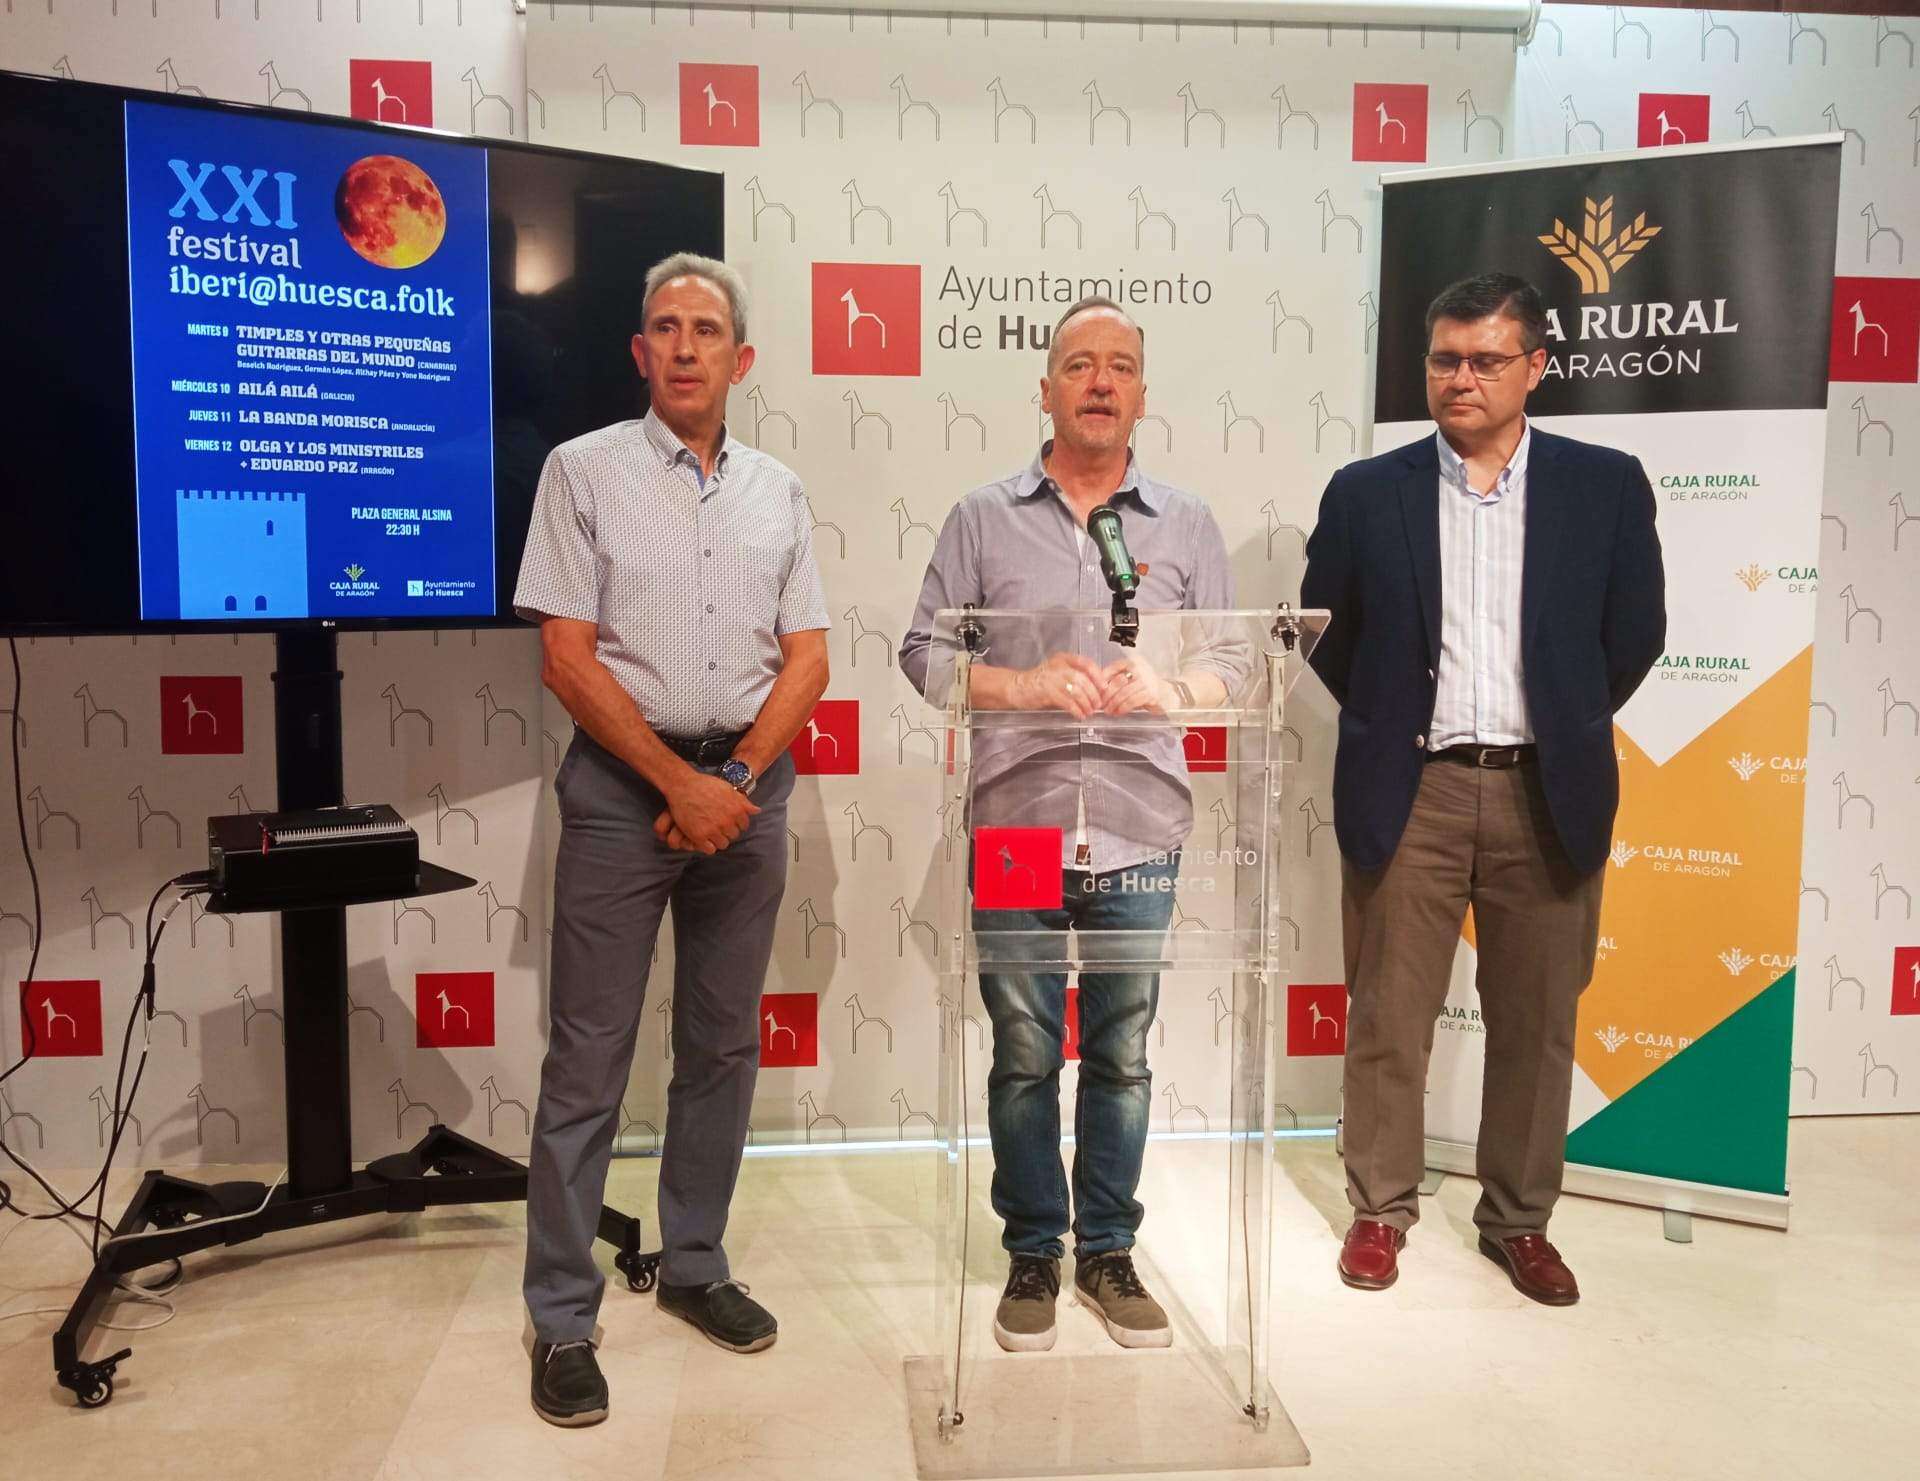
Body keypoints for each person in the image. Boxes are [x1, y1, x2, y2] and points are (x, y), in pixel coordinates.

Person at [1300, 272, 1665, 1305]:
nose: (1461, 377)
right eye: (1444, 359)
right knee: (1388, 1014)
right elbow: (1329, 633)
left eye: (1486, 360)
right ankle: (1380, 1207)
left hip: (1545, 789)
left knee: (1538, 1022)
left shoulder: (1605, 485)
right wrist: (1391, 719)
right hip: (1409, 787)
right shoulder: (1365, 491)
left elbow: (1634, 634)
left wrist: (1563, 717)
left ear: (1535, 367)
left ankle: (1519, 1220)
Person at [514, 252, 829, 1425]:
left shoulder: (779, 490)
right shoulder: (580, 470)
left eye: (706, 330)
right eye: (665, 326)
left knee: (721, 1046)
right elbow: (565, 658)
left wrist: (732, 779)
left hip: (745, 792)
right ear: (639, 351)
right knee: (587, 1056)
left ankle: (694, 1262)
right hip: (619, 792)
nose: (685, 346)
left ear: (741, 359)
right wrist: (675, 782)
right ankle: (562, 1314)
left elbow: (809, 659)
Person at [900, 297, 1239, 1353]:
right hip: (1018, 821)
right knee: (1023, 1050)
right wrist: (1019, 685)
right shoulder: (981, 516)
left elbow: (1233, 662)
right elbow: (923, 653)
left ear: (1142, 393)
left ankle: (1108, 1248)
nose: (1100, 381)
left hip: (1141, 821)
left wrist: (1172, 689)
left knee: (1124, 1052)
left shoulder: (1186, 523)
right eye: (1080, 364)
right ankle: (1034, 1248)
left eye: (1120, 366)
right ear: (1044, 388)